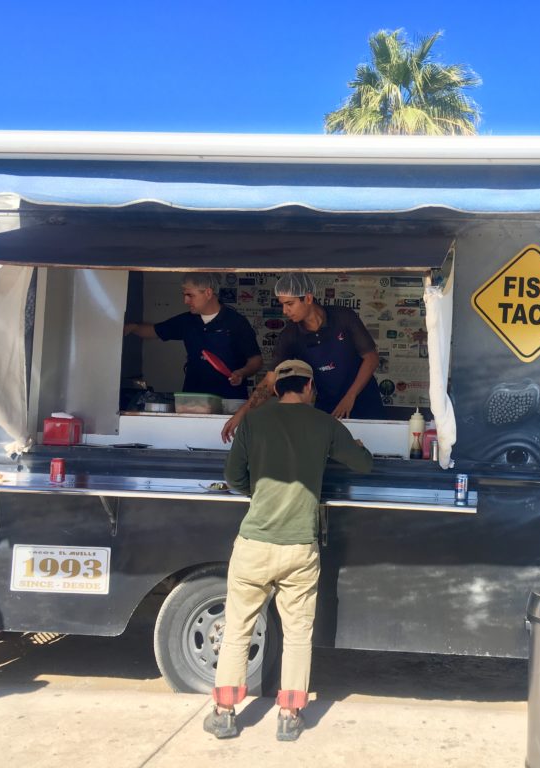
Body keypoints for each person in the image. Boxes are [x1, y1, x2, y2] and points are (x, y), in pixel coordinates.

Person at [204, 359, 373, 741]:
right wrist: (357, 446)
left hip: (254, 545)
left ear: (279, 388)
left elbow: (233, 478)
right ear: (310, 385)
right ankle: (290, 714)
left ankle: (225, 711)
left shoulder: (254, 420)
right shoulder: (326, 424)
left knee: (238, 629)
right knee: (298, 634)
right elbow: (363, 465)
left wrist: (260, 494)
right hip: (299, 546)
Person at [221, 272, 384, 442]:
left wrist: (350, 397)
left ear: (307, 298)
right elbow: (269, 382)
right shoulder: (290, 335)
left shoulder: (344, 317)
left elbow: (371, 358)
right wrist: (241, 414)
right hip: (327, 409)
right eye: (282, 305)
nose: (285, 311)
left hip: (365, 401)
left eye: (290, 304)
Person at [124, 272, 262, 399]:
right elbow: (154, 331)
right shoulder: (187, 321)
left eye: (190, 295)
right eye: (184, 295)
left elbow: (256, 360)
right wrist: (130, 328)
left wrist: (241, 373)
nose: (185, 301)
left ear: (208, 293)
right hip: (193, 397)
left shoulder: (236, 322)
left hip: (229, 399)